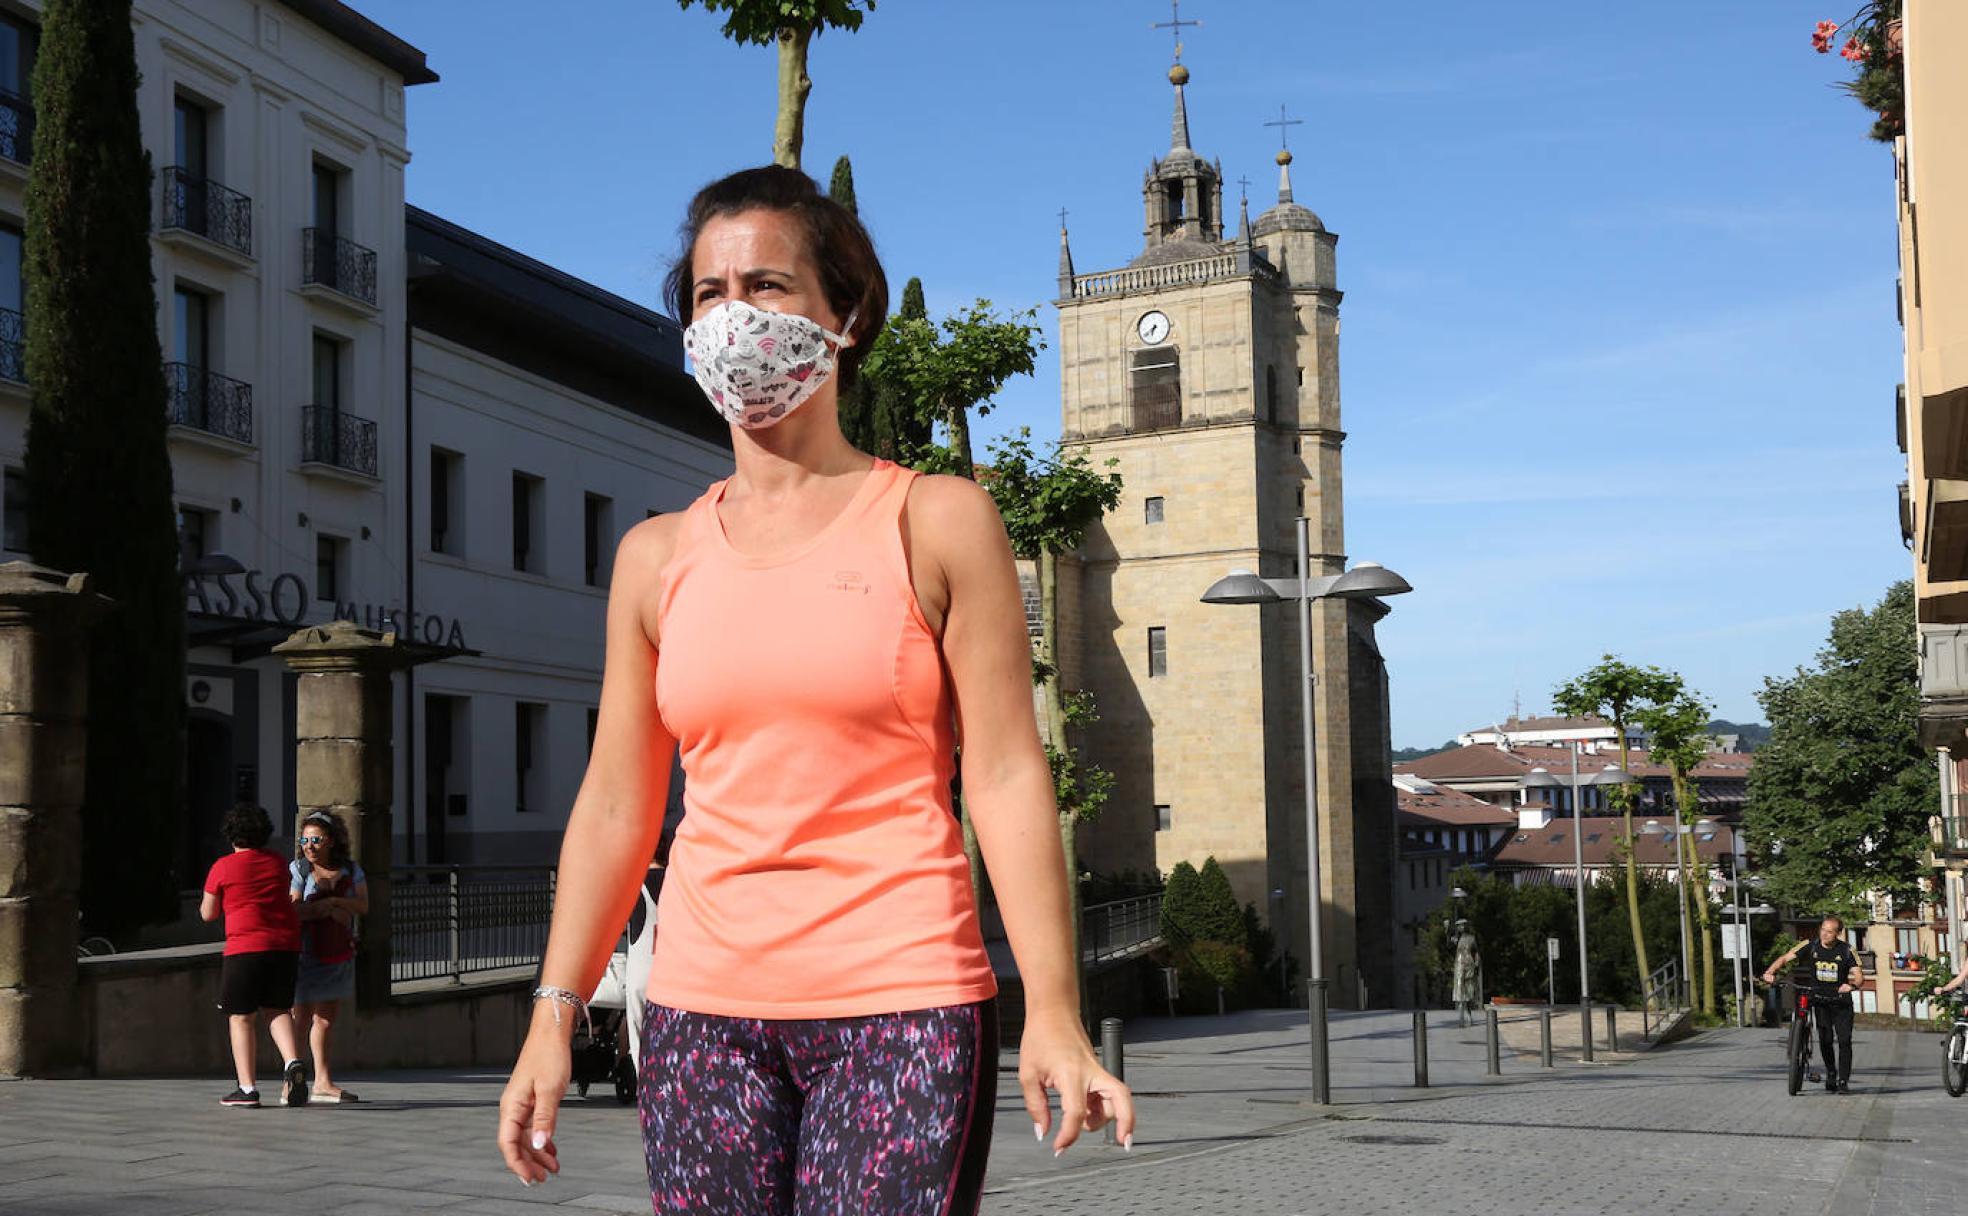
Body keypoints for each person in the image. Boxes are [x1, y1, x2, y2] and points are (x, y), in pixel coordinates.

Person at [496, 165, 1134, 1212]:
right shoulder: (657, 559)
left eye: (769, 286)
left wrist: (1054, 1008)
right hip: (701, 1016)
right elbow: (616, 802)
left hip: (905, 1004)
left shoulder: (937, 520)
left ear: (846, 314)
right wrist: (552, 1015)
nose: (735, 316)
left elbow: (1010, 773)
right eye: (710, 294)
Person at [200, 802, 307, 1108]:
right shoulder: (277, 863)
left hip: (245, 948)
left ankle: (246, 1089)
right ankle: (292, 1063)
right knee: (278, 1009)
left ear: (231, 835)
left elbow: (208, 913)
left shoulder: (222, 867)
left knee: (241, 1017)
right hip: (285, 947)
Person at [289, 811, 368, 1103]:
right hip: (306, 954)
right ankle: (292, 1081)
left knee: (324, 1020)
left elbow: (362, 906)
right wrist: (328, 910)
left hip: (337, 952)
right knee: (300, 1018)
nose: (309, 845)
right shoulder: (299, 869)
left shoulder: (350, 870)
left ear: (331, 841)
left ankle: (322, 1081)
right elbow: (294, 909)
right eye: (305, 839)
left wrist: (334, 901)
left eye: (316, 839)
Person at [1761, 915, 1865, 1093]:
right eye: (1823, 930)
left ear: (1838, 934)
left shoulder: (1847, 950)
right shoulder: (1811, 945)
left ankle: (1843, 1081)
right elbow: (1785, 958)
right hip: (1820, 1000)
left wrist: (1852, 985)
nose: (1824, 934)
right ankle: (1831, 1072)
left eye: (1829, 932)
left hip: (1840, 1002)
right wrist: (1770, 972)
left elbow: (1859, 976)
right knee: (1825, 1040)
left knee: (1844, 1041)